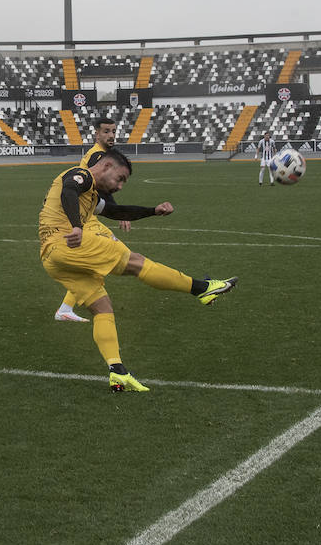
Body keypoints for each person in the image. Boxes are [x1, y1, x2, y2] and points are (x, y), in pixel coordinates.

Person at [38, 148, 238, 392]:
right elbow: (70, 189)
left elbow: (117, 212)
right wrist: (77, 227)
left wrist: (153, 211)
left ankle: (117, 371)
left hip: (51, 257)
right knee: (135, 262)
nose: (120, 186)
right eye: (120, 178)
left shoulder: (90, 195)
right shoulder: (82, 175)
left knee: (102, 307)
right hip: (69, 243)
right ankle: (201, 288)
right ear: (106, 167)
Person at [55, 117, 130, 323]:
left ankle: (65, 308)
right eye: (106, 131)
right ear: (97, 134)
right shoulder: (98, 155)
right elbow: (98, 187)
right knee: (110, 254)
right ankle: (67, 307)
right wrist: (119, 213)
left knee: (102, 258)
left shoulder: (102, 154)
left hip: (88, 214)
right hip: (84, 217)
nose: (111, 135)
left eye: (114, 131)